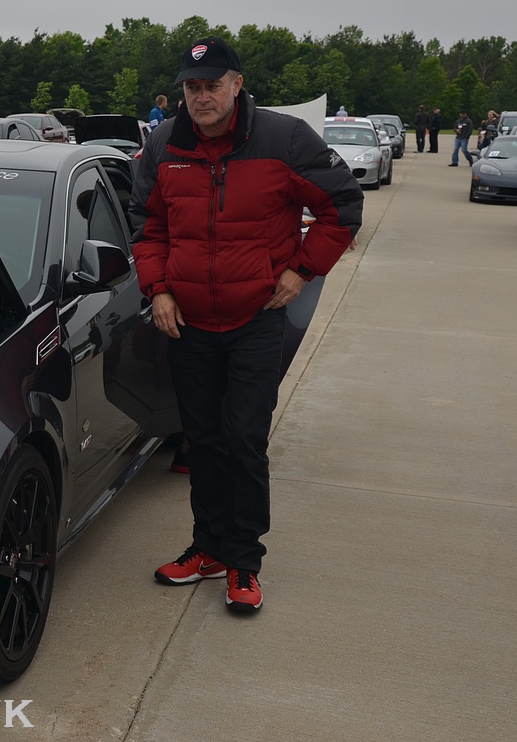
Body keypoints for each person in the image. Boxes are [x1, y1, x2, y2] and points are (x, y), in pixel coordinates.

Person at [129, 37, 363, 613]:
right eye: (192, 87)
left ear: (237, 85)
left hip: (256, 319)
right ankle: (207, 548)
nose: (201, 97)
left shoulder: (285, 139)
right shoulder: (164, 145)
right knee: (202, 441)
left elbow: (342, 206)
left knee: (243, 439)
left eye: (212, 85)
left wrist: (302, 270)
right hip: (189, 324)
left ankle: (244, 562)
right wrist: (158, 288)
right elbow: (147, 226)